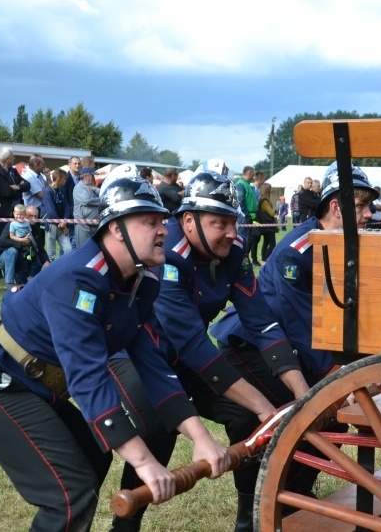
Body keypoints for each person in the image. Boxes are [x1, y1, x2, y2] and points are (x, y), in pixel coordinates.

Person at [0, 176, 231, 532]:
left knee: (94, 455)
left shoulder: (140, 282)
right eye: (150, 221)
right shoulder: (78, 279)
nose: (163, 230)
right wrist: (143, 461)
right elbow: (88, 376)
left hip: (31, 384)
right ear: (114, 229)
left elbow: (151, 365)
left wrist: (201, 439)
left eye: (162, 220)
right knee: (68, 493)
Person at [111, 171, 310, 532]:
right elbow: (194, 345)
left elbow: (263, 324)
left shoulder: (233, 251)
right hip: (136, 355)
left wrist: (303, 395)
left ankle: (247, 521)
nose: (232, 233)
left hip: (183, 356)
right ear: (188, 221)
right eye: (220, 223)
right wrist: (267, 409)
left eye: (234, 222)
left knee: (245, 418)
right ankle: (124, 526)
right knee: (160, 425)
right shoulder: (168, 254)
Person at [210, 161, 381, 510]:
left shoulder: (347, 245)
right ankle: (274, 502)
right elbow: (298, 323)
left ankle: (294, 496)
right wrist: (339, 380)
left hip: (289, 347)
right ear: (337, 207)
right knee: (308, 411)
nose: (368, 215)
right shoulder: (297, 250)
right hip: (251, 344)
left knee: (329, 413)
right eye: (362, 206)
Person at [0, 147, 30, 281]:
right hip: (1, 212)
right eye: (13, 156)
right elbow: (6, 192)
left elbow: (27, 185)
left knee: (16, 240)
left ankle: (15, 270)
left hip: (15, 214)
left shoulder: (13, 171)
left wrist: (17, 187)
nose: (14, 158)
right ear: (7, 159)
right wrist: (16, 188)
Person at [41, 168, 73, 258]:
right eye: (64, 179)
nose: (65, 181)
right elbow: (50, 211)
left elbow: (67, 207)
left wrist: (65, 220)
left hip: (62, 224)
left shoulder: (61, 191)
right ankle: (50, 271)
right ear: (59, 178)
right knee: (51, 253)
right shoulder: (48, 192)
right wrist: (61, 224)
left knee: (68, 249)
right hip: (51, 225)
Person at [250, 182, 278, 264]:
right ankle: (266, 259)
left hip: (265, 225)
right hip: (268, 225)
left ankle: (264, 259)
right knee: (272, 244)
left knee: (266, 243)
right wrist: (275, 210)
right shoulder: (264, 201)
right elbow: (271, 213)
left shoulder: (260, 199)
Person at [73, 169, 100, 247]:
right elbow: (86, 201)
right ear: (86, 176)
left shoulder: (90, 186)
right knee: (82, 249)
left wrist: (95, 189)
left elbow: (102, 193)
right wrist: (100, 200)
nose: (93, 177)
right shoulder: (79, 187)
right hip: (83, 224)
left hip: (92, 224)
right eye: (92, 175)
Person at [234, 165, 257, 245]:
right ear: (249, 173)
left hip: (248, 216)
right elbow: (240, 200)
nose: (254, 176)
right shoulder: (241, 184)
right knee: (243, 238)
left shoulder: (247, 184)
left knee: (248, 239)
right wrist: (246, 214)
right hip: (244, 217)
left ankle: (245, 256)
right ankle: (241, 256)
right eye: (253, 173)